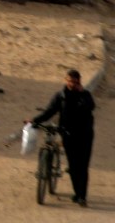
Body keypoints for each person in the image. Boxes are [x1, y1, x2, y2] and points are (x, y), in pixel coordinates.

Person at [36, 68, 96, 206]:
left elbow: (90, 107)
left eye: (76, 82)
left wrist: (81, 94)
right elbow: (49, 111)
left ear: (79, 81)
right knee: (74, 166)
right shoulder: (60, 96)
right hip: (68, 134)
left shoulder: (85, 95)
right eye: (70, 81)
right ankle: (77, 193)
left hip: (85, 135)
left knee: (82, 166)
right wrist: (34, 121)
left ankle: (82, 196)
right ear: (66, 80)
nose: (73, 84)